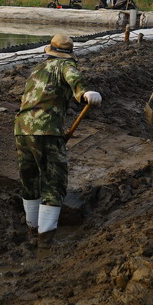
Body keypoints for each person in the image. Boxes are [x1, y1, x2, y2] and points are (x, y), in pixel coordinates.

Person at [14, 34, 102, 246]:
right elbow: (74, 78)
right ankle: (46, 238)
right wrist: (85, 93)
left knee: (30, 178)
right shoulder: (65, 65)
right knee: (54, 181)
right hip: (46, 130)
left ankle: (32, 228)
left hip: (22, 129)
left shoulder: (38, 68)